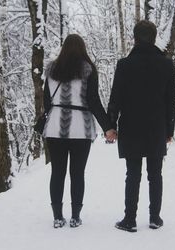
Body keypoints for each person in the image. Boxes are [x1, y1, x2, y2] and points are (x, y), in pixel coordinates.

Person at [107, 20, 175, 232]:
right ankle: (155, 218)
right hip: (157, 127)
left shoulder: (124, 65)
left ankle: (130, 220)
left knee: (133, 173)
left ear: (135, 38)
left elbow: (115, 99)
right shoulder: (166, 65)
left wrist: (110, 126)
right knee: (155, 174)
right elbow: (171, 101)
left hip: (131, 126)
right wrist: (169, 130)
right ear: (154, 38)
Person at [42, 34, 117, 228]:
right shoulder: (88, 70)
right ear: (82, 48)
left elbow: (46, 102)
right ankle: (75, 216)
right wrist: (108, 127)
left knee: (57, 173)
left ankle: (58, 216)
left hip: (55, 128)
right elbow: (93, 101)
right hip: (80, 129)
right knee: (77, 173)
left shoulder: (52, 70)